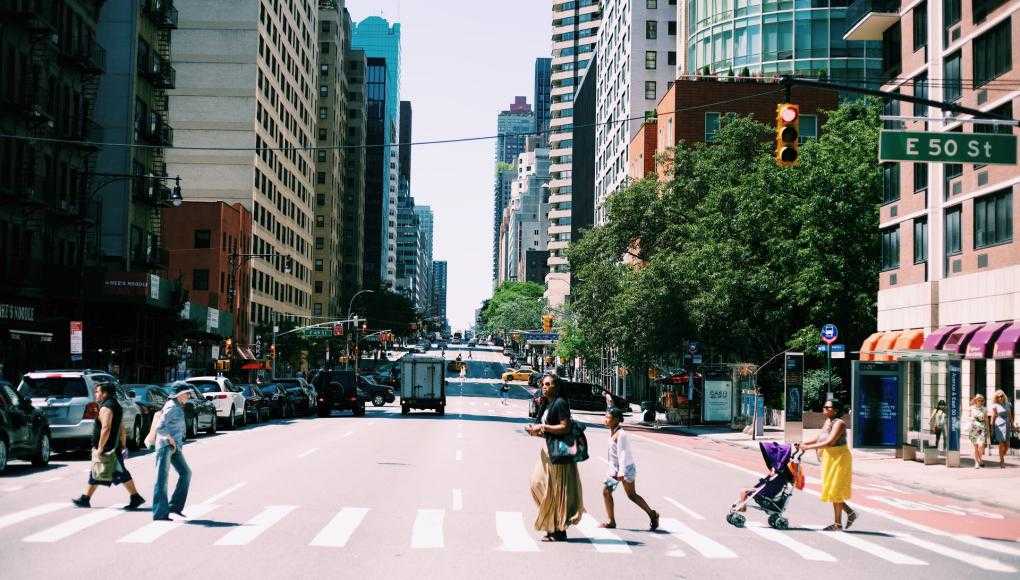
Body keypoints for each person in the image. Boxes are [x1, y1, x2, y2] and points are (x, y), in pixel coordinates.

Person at [525, 373, 584, 541]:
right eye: (543, 384)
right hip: (547, 450)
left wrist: (543, 427)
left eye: (549, 384)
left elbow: (565, 428)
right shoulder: (547, 404)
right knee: (537, 483)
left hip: (558, 454)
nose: (544, 386)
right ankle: (552, 524)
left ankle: (558, 529)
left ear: (556, 387)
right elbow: (548, 430)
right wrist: (536, 431)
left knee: (556, 491)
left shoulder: (560, 403)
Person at [72, 384, 146, 510]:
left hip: (108, 448)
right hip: (113, 446)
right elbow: (121, 427)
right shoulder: (115, 405)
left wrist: (101, 447)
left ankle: (135, 497)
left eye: (97, 392)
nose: (96, 394)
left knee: (118, 473)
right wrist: (123, 444)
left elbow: (106, 428)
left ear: (104, 393)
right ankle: (85, 498)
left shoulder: (107, 407)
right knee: (98, 472)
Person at [799, 399, 857, 531]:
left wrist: (807, 448)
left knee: (836, 489)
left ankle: (837, 524)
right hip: (829, 457)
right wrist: (803, 443)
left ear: (835, 410)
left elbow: (830, 442)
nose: (824, 409)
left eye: (827, 407)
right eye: (824, 406)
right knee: (831, 489)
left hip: (840, 458)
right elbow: (820, 438)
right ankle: (850, 513)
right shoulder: (828, 422)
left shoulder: (839, 423)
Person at [600, 407, 659, 530]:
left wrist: (622, 472)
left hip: (625, 468)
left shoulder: (621, 434)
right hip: (615, 469)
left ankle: (652, 514)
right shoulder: (613, 431)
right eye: (605, 417)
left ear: (616, 420)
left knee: (631, 495)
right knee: (606, 492)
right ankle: (611, 521)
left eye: (608, 417)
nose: (605, 420)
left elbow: (623, 454)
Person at [152, 384, 193, 521]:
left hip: (174, 447)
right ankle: (160, 513)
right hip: (166, 446)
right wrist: (170, 439)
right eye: (187, 393)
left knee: (186, 473)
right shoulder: (173, 406)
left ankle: (175, 505)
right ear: (179, 394)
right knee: (161, 479)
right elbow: (160, 427)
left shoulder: (175, 405)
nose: (189, 396)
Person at [989, 390, 1013, 469]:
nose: (1000, 397)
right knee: (1001, 443)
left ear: (1004, 396)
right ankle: (1002, 460)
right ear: (996, 398)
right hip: (999, 425)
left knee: (1007, 445)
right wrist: (991, 427)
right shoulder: (995, 405)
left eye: (1001, 396)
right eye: (998, 396)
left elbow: (1010, 415)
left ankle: (1002, 455)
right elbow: (993, 416)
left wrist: (1012, 424)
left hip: (1007, 424)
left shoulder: (1007, 404)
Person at [968, 394, 989, 468]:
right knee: (976, 447)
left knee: (981, 445)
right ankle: (977, 462)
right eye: (978, 400)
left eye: (981, 400)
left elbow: (986, 420)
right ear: (975, 400)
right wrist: (971, 420)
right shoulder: (971, 408)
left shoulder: (984, 409)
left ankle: (980, 459)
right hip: (973, 428)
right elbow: (968, 418)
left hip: (982, 429)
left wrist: (988, 430)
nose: (979, 401)